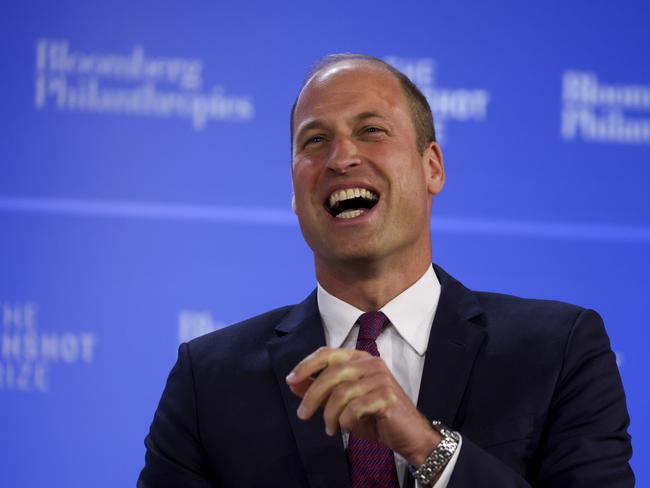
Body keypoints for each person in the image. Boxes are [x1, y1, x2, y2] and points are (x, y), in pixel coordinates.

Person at [138, 54, 634, 487]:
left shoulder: (561, 350)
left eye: (371, 131)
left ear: (432, 167)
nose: (341, 157)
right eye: (314, 141)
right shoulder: (207, 382)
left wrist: (426, 446)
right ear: (294, 193)